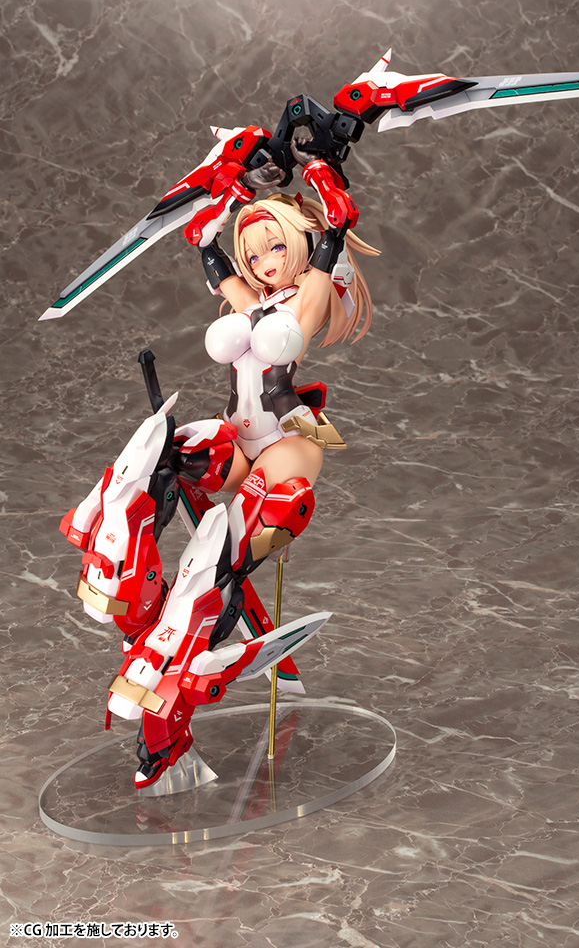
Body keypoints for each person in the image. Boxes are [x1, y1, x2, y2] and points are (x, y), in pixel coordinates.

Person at [63, 187, 379, 787]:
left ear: (303, 245)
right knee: (157, 462)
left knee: (213, 565)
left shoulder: (307, 295)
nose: (263, 263)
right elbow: (222, 275)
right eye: (253, 253)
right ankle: (122, 572)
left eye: (275, 248)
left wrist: (333, 223)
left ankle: (173, 693)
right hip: (239, 435)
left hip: (287, 440)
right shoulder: (253, 298)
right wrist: (206, 234)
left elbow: (319, 272)